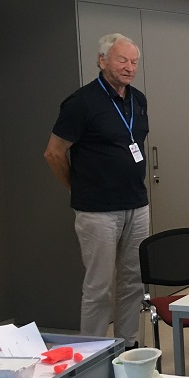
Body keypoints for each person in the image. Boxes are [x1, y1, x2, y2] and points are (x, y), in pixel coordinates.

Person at [43, 34, 150, 348]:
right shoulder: (81, 102)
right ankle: (92, 352)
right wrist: (78, 187)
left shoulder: (138, 99)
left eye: (134, 62)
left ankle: (128, 346)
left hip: (136, 204)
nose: (129, 67)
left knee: (133, 281)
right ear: (102, 61)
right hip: (98, 211)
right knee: (99, 286)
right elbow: (53, 153)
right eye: (122, 60)